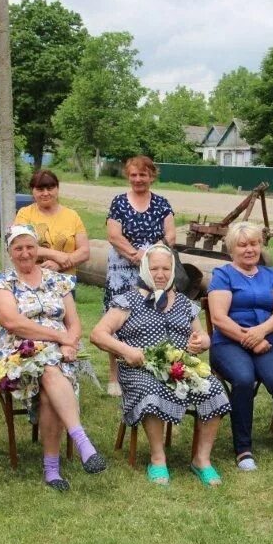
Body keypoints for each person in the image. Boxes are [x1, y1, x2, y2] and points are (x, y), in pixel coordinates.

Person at [90, 244, 230, 485]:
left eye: (166, 268)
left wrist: (201, 342)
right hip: (140, 367)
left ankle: (202, 460)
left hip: (179, 367)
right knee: (151, 390)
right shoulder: (128, 300)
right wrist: (126, 350)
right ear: (145, 268)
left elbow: (204, 337)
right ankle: (158, 458)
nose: (160, 273)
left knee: (214, 389)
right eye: (154, 268)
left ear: (173, 270)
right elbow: (98, 334)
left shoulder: (184, 303)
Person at [0, 224, 107, 490]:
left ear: (37, 248)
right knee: (51, 369)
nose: (25, 253)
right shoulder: (2, 283)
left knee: (49, 385)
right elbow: (13, 323)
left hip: (60, 351)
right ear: (9, 251)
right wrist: (59, 338)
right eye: (18, 248)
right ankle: (82, 443)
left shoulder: (57, 280)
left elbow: (74, 323)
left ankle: (52, 469)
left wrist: (70, 343)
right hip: (19, 352)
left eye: (30, 246)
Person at [208, 221, 273, 471]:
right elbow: (219, 318)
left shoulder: (270, 275)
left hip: (264, 341)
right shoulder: (222, 274)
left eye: (254, 244)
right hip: (228, 343)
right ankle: (243, 449)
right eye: (243, 245)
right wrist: (249, 339)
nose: (249, 249)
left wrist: (261, 333)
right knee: (243, 380)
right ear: (232, 248)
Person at [104, 156, 175, 397]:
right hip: (122, 270)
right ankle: (115, 376)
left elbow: (171, 235)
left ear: (152, 176)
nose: (138, 179)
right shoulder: (119, 202)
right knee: (116, 322)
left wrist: (150, 255)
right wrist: (135, 254)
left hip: (154, 270)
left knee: (151, 317)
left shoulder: (162, 204)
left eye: (142, 175)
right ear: (128, 176)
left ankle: (151, 368)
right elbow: (113, 235)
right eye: (133, 174)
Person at [14, 169, 89, 279]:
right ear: (32, 191)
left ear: (57, 189)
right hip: (32, 280)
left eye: (50, 188)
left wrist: (59, 265)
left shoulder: (72, 216)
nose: (45, 193)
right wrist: (55, 255)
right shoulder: (24, 214)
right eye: (40, 189)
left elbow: (84, 251)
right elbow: (21, 246)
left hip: (65, 283)